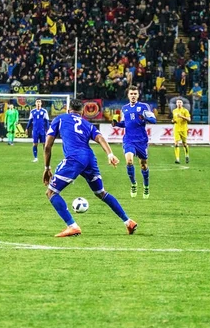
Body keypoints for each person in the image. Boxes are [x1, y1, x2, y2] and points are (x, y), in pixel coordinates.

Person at [43, 99, 137, 237]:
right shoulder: (87, 124)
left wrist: (47, 167)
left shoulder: (61, 118)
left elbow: (47, 146)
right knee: (101, 193)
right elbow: (100, 138)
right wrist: (110, 154)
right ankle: (128, 221)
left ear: (68, 110)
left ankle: (72, 226)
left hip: (74, 159)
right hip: (89, 159)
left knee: (51, 193)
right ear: (82, 112)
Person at [112, 86, 157, 199]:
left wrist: (145, 117)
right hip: (129, 139)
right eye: (131, 93)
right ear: (128, 95)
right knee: (129, 161)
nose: (133, 95)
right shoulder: (124, 108)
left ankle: (146, 186)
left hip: (141, 140)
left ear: (138, 95)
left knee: (143, 165)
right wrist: (116, 124)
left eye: (135, 94)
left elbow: (154, 120)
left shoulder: (144, 106)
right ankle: (133, 184)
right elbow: (125, 123)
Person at [171, 99, 190, 164]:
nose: (179, 103)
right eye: (178, 102)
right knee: (176, 143)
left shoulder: (185, 110)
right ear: (176, 104)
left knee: (184, 143)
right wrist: (173, 121)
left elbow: (189, 119)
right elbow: (174, 119)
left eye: (180, 102)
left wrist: (182, 116)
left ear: (182, 104)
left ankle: (187, 155)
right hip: (176, 128)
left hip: (184, 129)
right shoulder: (174, 111)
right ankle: (177, 159)